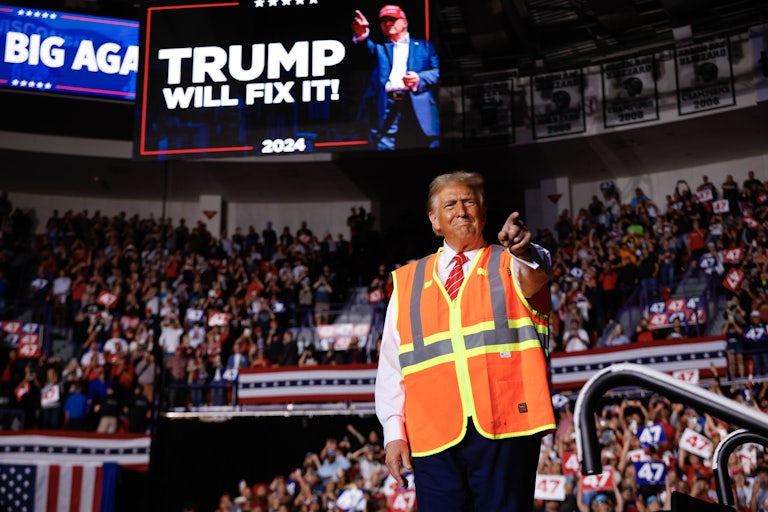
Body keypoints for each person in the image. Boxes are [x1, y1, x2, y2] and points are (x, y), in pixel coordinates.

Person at [375, 171, 555, 511]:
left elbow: (538, 271)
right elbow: (391, 368)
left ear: (483, 214)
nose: (461, 211)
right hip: (432, 437)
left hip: (507, 429)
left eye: (469, 202)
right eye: (450, 205)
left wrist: (523, 248)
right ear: (434, 220)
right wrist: (393, 432)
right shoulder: (407, 282)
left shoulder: (512, 260)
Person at [351, 5, 440, 150]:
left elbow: (436, 71)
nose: (387, 24)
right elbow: (362, 52)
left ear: (405, 22)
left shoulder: (424, 46)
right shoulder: (379, 47)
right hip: (387, 104)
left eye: (392, 20)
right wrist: (361, 33)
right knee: (384, 146)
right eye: (383, 21)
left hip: (416, 101)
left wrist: (419, 78)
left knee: (425, 144)